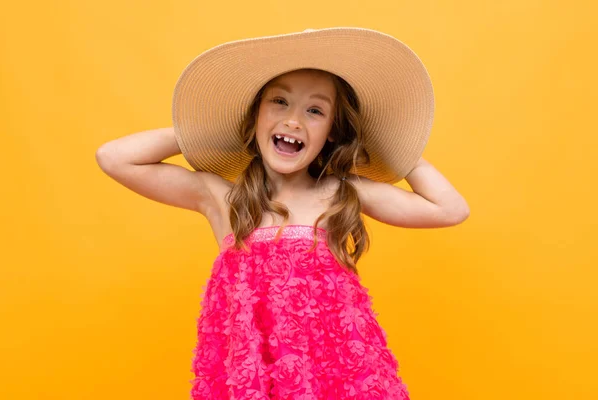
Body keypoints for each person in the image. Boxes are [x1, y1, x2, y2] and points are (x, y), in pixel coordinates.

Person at [96, 28, 469, 400]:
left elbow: (450, 208)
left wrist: (393, 146)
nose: (293, 121)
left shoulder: (340, 193)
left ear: (333, 132)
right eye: (279, 102)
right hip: (255, 382)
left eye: (315, 111)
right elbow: (113, 158)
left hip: (334, 385)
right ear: (255, 115)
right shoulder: (222, 199)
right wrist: (208, 129)